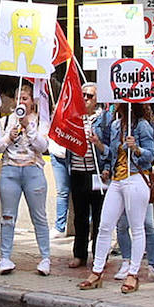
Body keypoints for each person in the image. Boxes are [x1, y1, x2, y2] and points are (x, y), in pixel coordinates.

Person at [80, 103, 154, 293]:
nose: (115, 106)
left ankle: (133, 274)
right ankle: (97, 271)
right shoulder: (115, 125)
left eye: (119, 103)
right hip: (117, 179)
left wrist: (137, 149)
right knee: (105, 225)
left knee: (137, 228)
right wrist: (98, 144)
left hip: (136, 177)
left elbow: (152, 154)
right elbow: (112, 154)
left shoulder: (142, 125)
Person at [0, 83, 52, 276]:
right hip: (10, 172)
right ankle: (5, 257)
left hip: (33, 171)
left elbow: (43, 147)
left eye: (25, 99)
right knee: (8, 217)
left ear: (32, 102)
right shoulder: (5, 122)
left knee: (39, 217)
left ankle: (45, 258)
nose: (21, 103)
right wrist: (8, 138)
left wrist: (28, 127)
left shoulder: (41, 120)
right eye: (18, 99)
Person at [66, 83, 107, 269]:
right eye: (82, 95)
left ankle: (99, 255)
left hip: (96, 173)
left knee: (99, 217)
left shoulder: (104, 119)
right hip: (77, 171)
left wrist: (97, 143)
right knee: (80, 216)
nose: (85, 98)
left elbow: (110, 148)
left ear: (97, 99)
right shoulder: (74, 117)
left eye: (89, 96)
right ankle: (79, 254)